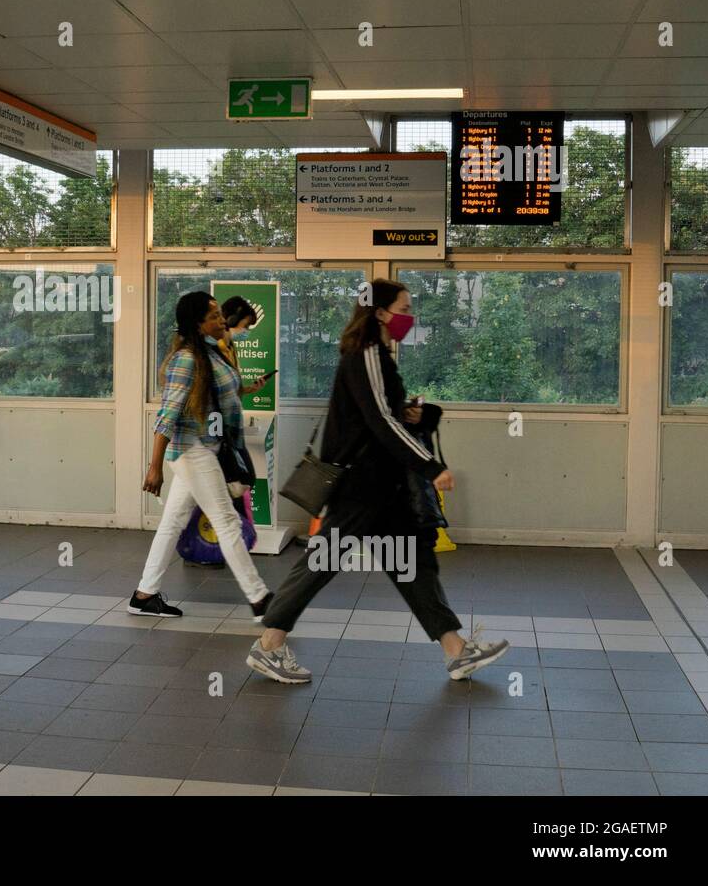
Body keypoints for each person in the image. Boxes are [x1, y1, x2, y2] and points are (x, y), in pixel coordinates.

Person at [246, 279, 508, 683]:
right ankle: (269, 644)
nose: (409, 313)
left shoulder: (377, 355)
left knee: (414, 563)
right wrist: (430, 466)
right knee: (323, 561)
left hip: (383, 488)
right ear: (382, 312)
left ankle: (456, 650)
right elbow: (379, 420)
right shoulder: (366, 353)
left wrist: (419, 414)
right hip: (362, 487)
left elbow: (384, 413)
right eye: (404, 306)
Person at [132, 291, 273, 619]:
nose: (221, 319)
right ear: (197, 324)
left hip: (209, 447)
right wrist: (155, 467)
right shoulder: (187, 359)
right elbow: (167, 415)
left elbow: (223, 395)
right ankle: (260, 598)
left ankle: (144, 594)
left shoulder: (212, 353)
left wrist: (247, 389)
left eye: (218, 314)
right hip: (193, 449)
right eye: (213, 316)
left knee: (173, 521)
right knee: (225, 520)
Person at [219, 294, 272, 397]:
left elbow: (229, 388)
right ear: (231, 320)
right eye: (246, 325)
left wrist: (249, 389)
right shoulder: (213, 348)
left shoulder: (230, 348)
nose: (247, 331)